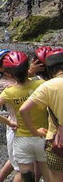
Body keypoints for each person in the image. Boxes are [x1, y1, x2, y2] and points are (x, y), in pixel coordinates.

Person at [0, 51, 51, 182]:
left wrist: (8, 122)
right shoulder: (41, 84)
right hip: (43, 135)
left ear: (10, 73)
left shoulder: (10, 91)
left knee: (24, 174)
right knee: (48, 175)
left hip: (21, 137)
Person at [20, 49, 63, 182]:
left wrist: (34, 131)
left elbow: (23, 110)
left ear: (50, 69)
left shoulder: (47, 86)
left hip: (56, 142)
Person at [0, 49, 23, 182]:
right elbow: (20, 88)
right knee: (21, 168)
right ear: (2, 69)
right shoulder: (4, 83)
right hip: (16, 126)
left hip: (24, 126)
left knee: (14, 159)